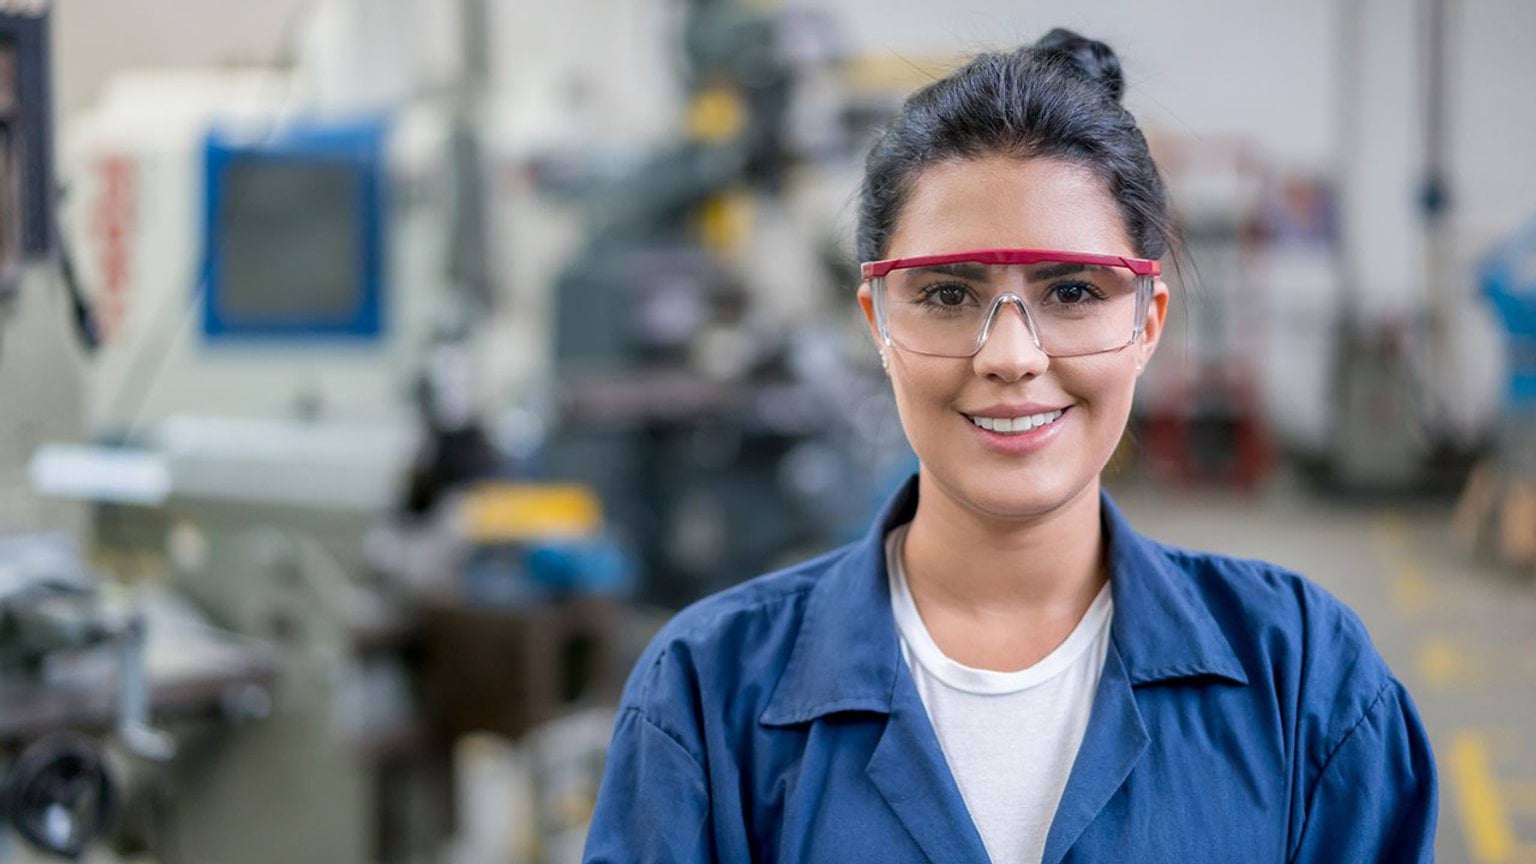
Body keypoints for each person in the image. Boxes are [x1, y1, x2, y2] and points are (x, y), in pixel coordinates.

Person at [583, 28, 1437, 864]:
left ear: (1147, 324)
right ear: (877, 321)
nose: (1012, 356)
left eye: (1072, 291)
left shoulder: (1303, 679)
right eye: (949, 295)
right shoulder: (708, 695)